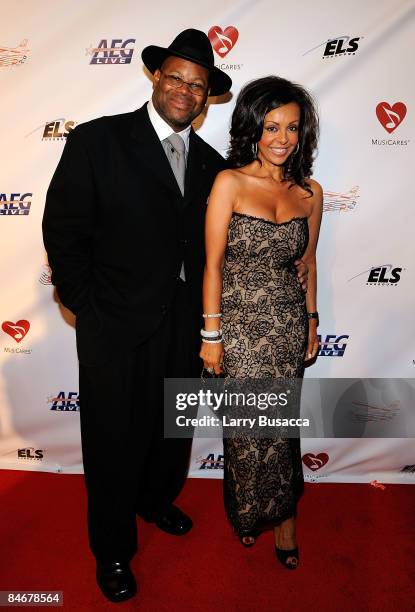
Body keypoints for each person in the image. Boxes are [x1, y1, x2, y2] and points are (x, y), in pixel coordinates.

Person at [42, 29, 234, 603]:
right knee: (110, 441)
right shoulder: (99, 141)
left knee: (169, 431)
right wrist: (88, 308)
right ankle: (113, 550)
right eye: (175, 77)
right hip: (114, 326)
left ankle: (154, 500)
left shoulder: (210, 164)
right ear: (156, 77)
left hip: (184, 326)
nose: (184, 90)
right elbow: (63, 230)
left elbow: (213, 248)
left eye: (197, 85)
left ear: (207, 98)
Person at [200, 76, 322, 569]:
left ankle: (286, 521)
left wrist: (312, 322)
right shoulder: (229, 182)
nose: (282, 138)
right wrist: (212, 335)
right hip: (239, 330)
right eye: (272, 126)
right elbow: (212, 265)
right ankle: (249, 513)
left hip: (287, 326)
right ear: (253, 128)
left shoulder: (310, 193)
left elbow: (308, 263)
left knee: (283, 430)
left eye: (292, 128)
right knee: (247, 433)